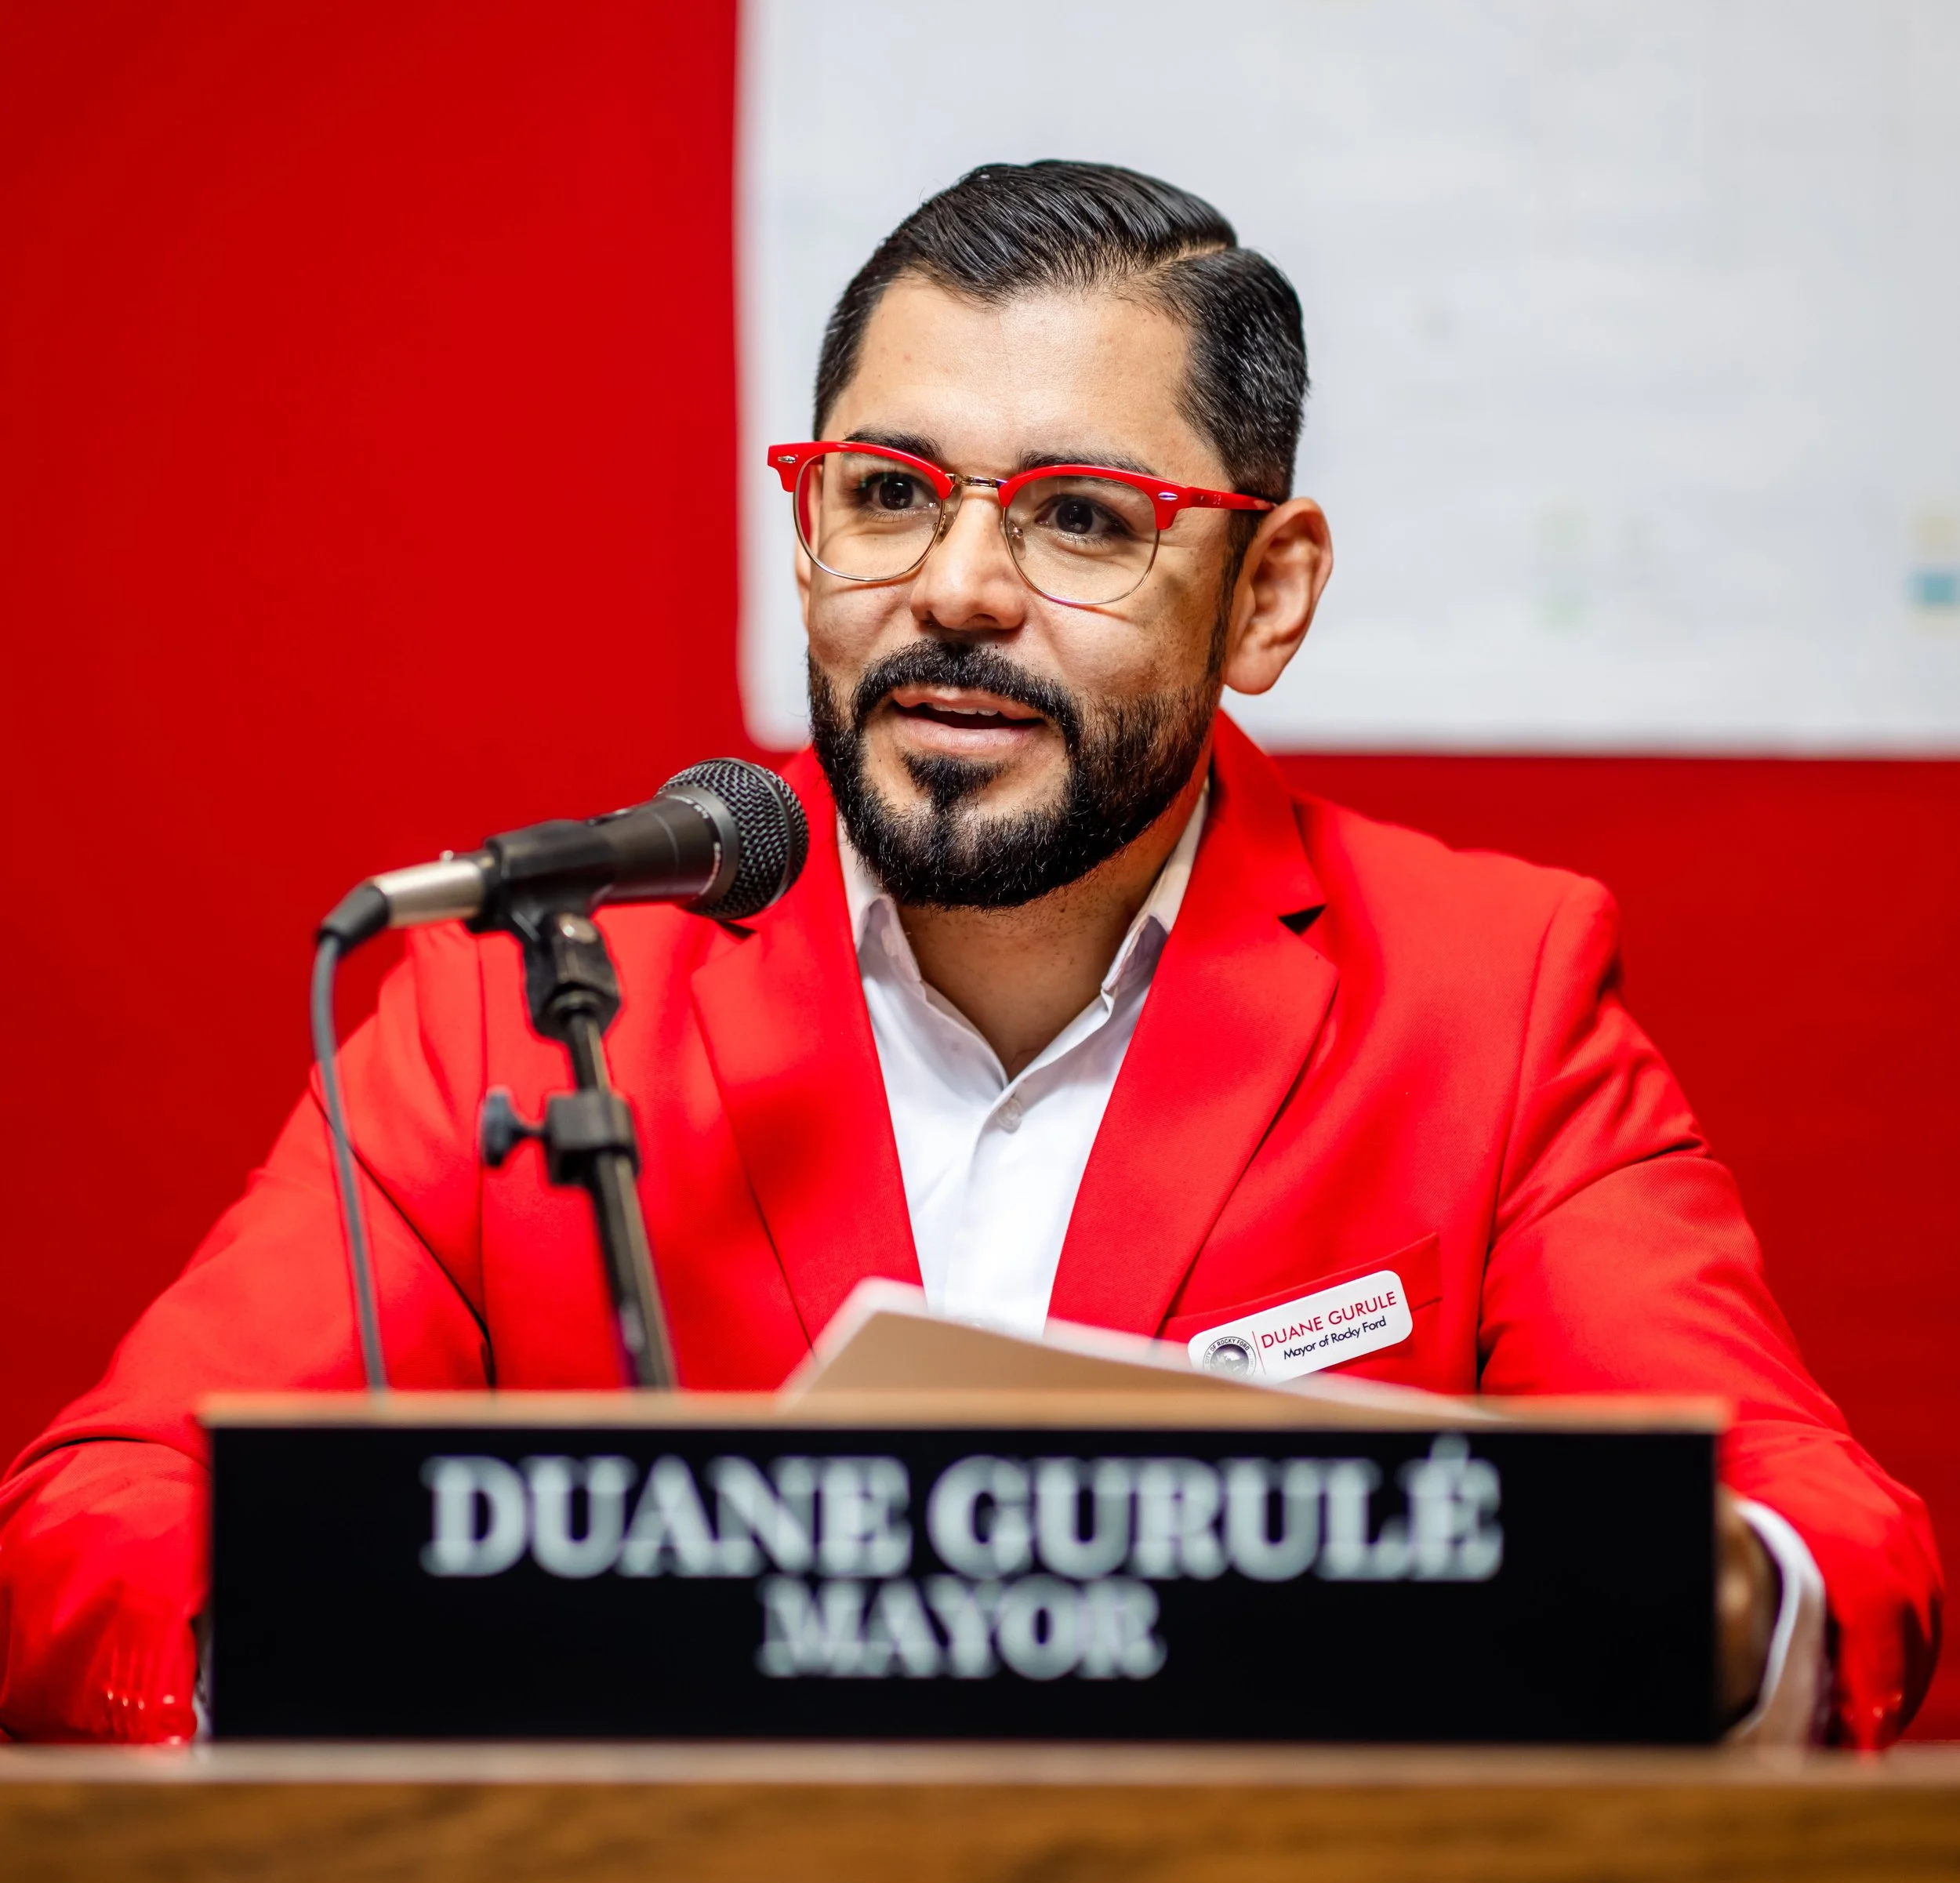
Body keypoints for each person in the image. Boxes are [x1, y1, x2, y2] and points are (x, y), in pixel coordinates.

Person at [0, 162, 1938, 1747]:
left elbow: (1813, 1536)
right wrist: (422, 1693)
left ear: (1263, 596)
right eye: (887, 493)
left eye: (1082, 519)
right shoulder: (525, 997)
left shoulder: (1483, 993)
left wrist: (1681, 1594)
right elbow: (91, 1528)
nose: (954, 588)